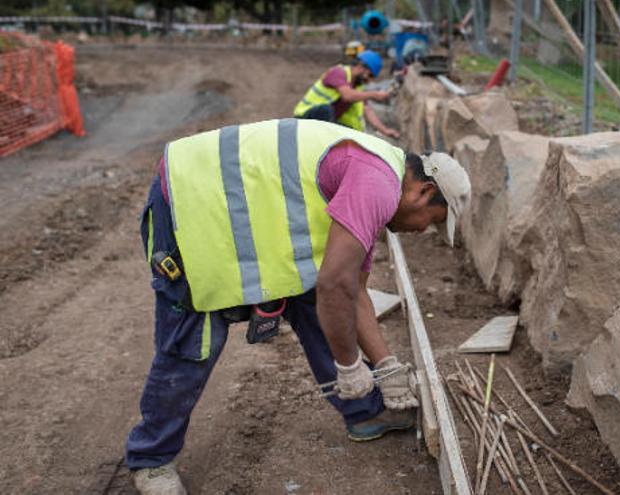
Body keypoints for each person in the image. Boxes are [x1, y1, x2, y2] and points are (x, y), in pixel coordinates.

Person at [126, 118, 470, 495]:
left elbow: (351, 290)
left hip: (225, 201)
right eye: (430, 221)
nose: (422, 231)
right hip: (190, 202)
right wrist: (350, 366)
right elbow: (335, 285)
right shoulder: (377, 183)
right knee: (195, 340)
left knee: (317, 304)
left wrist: (386, 368)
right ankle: (152, 459)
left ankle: (365, 410)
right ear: (424, 191)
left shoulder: (378, 174)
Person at [293, 50, 400, 139]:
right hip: (304, 117)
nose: (369, 81)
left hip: (323, 122)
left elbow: (367, 110)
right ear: (362, 66)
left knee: (349, 133)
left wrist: (385, 130)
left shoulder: (357, 87)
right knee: (326, 110)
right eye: (370, 75)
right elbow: (347, 96)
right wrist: (374, 94)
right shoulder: (338, 72)